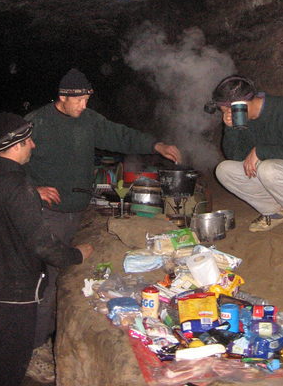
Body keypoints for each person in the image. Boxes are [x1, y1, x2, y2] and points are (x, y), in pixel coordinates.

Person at [24, 68, 182, 379]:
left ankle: (43, 338)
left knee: (59, 276)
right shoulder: (36, 122)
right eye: (79, 99)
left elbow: (119, 134)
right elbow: (7, 157)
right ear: (62, 97)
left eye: (86, 98)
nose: (83, 104)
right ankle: (32, 348)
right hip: (45, 215)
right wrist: (32, 189)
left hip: (73, 213)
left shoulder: (89, 120)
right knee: (45, 280)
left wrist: (155, 145)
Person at [0, 112, 93, 386]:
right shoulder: (16, 187)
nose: (33, 145)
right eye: (28, 141)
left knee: (1, 351)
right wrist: (78, 254)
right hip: (12, 289)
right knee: (11, 359)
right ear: (15, 146)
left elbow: (2, 203)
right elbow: (44, 246)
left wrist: (31, 193)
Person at [207, 75, 283, 236]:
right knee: (224, 169)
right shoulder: (242, 119)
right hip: (274, 174)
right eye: (225, 112)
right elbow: (236, 157)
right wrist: (231, 128)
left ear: (242, 104)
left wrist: (260, 151)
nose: (229, 114)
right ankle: (274, 212)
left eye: (230, 111)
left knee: (267, 168)